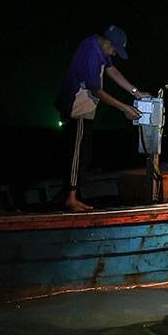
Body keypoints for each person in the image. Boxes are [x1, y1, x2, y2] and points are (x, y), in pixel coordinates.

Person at [54, 25, 150, 212]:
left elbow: (112, 70)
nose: (114, 53)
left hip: (85, 108)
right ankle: (71, 199)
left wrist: (136, 92)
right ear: (108, 43)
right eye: (114, 49)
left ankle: (69, 194)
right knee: (77, 154)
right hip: (77, 108)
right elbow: (96, 90)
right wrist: (124, 108)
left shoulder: (97, 44)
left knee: (84, 153)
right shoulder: (92, 55)